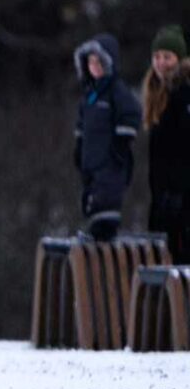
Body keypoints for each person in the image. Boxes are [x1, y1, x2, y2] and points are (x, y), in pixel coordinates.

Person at [72, 33, 142, 241]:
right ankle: (94, 230)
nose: (94, 66)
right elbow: (81, 123)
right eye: (90, 62)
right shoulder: (89, 96)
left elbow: (131, 113)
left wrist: (122, 141)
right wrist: (79, 144)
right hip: (91, 160)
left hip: (110, 158)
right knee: (90, 198)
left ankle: (104, 232)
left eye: (99, 61)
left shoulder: (116, 91)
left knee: (107, 197)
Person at [141, 25, 190, 263]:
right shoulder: (157, 95)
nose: (161, 63)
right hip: (163, 201)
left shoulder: (184, 94)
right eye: (157, 57)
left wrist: (178, 193)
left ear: (179, 60)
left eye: (167, 57)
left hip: (182, 203)